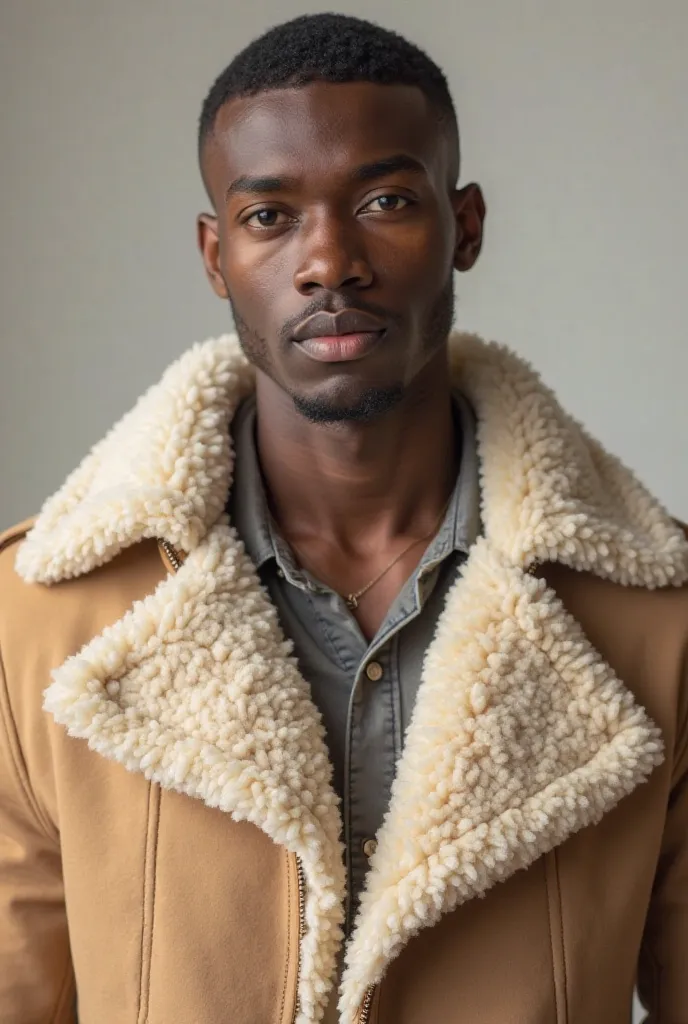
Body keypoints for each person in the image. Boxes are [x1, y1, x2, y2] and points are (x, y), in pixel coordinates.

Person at [0, 12, 686, 1024]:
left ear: (467, 226)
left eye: (385, 200)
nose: (329, 262)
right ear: (214, 253)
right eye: (269, 216)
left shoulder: (655, 624)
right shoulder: (41, 622)